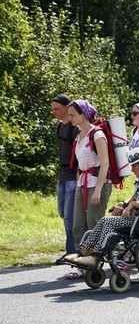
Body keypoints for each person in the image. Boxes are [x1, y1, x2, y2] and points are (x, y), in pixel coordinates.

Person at [63, 147, 139, 267]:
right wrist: (123, 204)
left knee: (109, 222)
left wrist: (133, 204)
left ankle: (95, 256)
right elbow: (136, 196)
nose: (132, 169)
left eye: (134, 166)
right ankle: (83, 251)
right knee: (104, 220)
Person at [65, 99, 112, 279]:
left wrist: (99, 189)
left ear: (83, 115)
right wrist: (79, 184)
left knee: (94, 223)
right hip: (82, 183)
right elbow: (80, 165)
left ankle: (96, 262)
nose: (70, 118)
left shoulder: (97, 135)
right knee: (78, 225)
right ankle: (82, 262)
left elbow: (105, 163)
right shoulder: (78, 137)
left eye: (73, 115)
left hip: (98, 183)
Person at [51, 94, 79, 260]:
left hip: (72, 177)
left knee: (69, 215)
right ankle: (72, 248)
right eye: (53, 109)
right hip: (62, 175)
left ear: (67, 108)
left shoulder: (74, 129)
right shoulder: (60, 126)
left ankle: (71, 251)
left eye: (57, 109)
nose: (54, 112)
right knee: (62, 212)